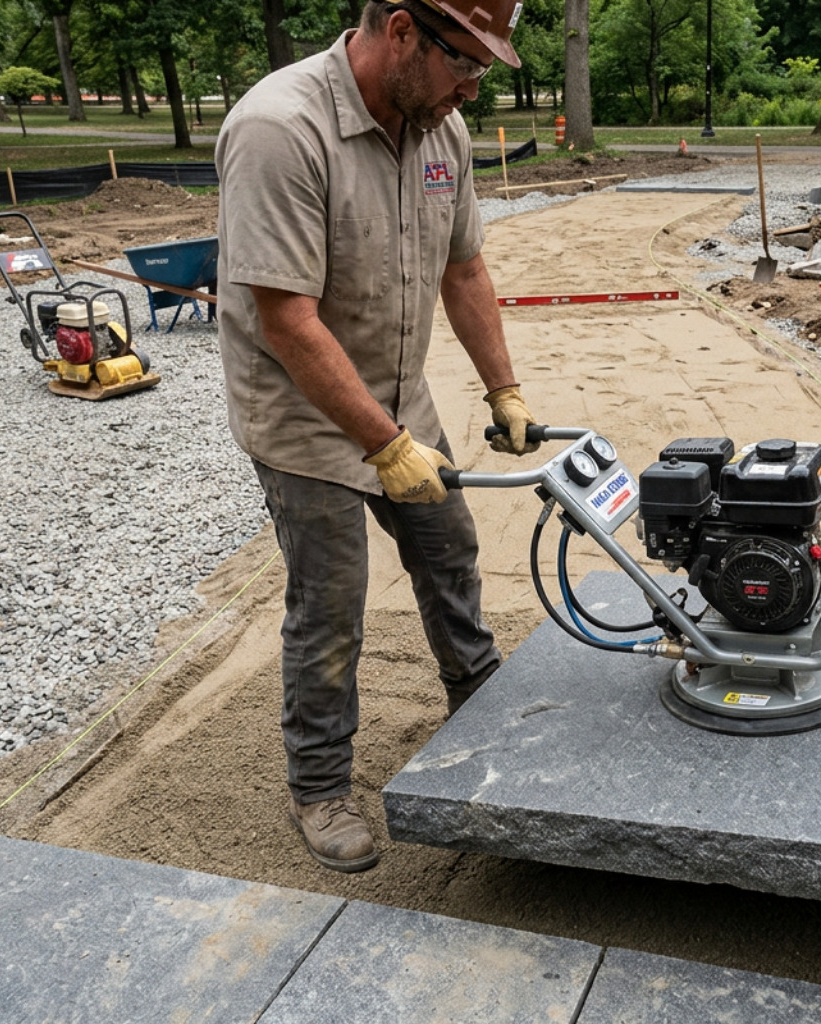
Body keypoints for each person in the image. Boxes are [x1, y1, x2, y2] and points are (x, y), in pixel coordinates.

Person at [214, 0, 538, 873]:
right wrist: (383, 448)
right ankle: (320, 785)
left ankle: (477, 698)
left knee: (449, 548)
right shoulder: (281, 130)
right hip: (302, 414)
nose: (473, 88)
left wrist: (502, 388)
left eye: (484, 68)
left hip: (399, 393)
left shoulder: (441, 129)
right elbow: (286, 319)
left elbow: (464, 268)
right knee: (331, 602)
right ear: (401, 31)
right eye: (464, 62)